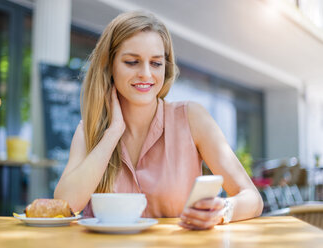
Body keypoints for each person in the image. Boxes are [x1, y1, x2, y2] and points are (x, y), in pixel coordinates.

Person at [54, 11, 263, 230]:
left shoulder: (192, 118)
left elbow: (252, 198)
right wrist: (113, 132)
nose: (146, 74)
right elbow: (66, 205)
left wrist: (221, 211)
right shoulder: (89, 132)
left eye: (156, 63)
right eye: (132, 62)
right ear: (109, 66)